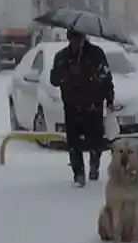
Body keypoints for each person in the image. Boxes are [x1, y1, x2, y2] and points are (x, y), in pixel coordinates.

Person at [49, 30, 116, 187]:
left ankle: (94, 165)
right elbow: (54, 79)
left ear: (84, 38)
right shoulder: (62, 57)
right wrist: (66, 73)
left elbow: (106, 77)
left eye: (78, 38)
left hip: (93, 104)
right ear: (68, 38)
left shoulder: (96, 54)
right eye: (72, 38)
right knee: (73, 142)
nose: (75, 41)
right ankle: (78, 173)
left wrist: (109, 96)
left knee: (96, 139)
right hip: (72, 104)